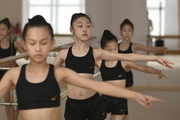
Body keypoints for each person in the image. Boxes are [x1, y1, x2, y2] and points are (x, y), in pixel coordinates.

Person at [0, 15, 167, 120]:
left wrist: (136, 95)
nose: (37, 48)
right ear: (24, 44)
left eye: (43, 42)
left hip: (92, 104)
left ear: (51, 44)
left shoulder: (61, 72)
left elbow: (99, 85)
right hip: (74, 106)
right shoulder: (14, 75)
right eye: (32, 43)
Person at [53, 13, 174, 120]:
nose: (85, 29)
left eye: (88, 26)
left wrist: (155, 58)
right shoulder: (64, 54)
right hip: (73, 105)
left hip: (93, 102)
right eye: (80, 26)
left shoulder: (96, 53)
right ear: (71, 29)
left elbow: (127, 57)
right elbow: (49, 76)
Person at [96, 29, 166, 120]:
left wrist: (157, 71)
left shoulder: (123, 62)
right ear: (102, 51)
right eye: (109, 50)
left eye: (115, 49)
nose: (114, 53)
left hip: (120, 99)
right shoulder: (99, 62)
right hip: (105, 99)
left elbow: (143, 68)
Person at [118, 18, 168, 88]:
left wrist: (161, 48)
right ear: (120, 31)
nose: (127, 33)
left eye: (129, 30)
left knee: (125, 97)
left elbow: (149, 49)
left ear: (133, 31)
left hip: (127, 75)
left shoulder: (134, 46)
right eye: (124, 30)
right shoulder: (116, 46)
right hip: (116, 75)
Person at [0, 18, 28, 120]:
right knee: (7, 101)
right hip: (2, 75)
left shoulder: (14, 44)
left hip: (14, 72)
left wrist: (26, 42)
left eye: (3, 29)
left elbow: (26, 57)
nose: (1, 32)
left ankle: (14, 118)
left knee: (21, 98)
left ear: (8, 30)